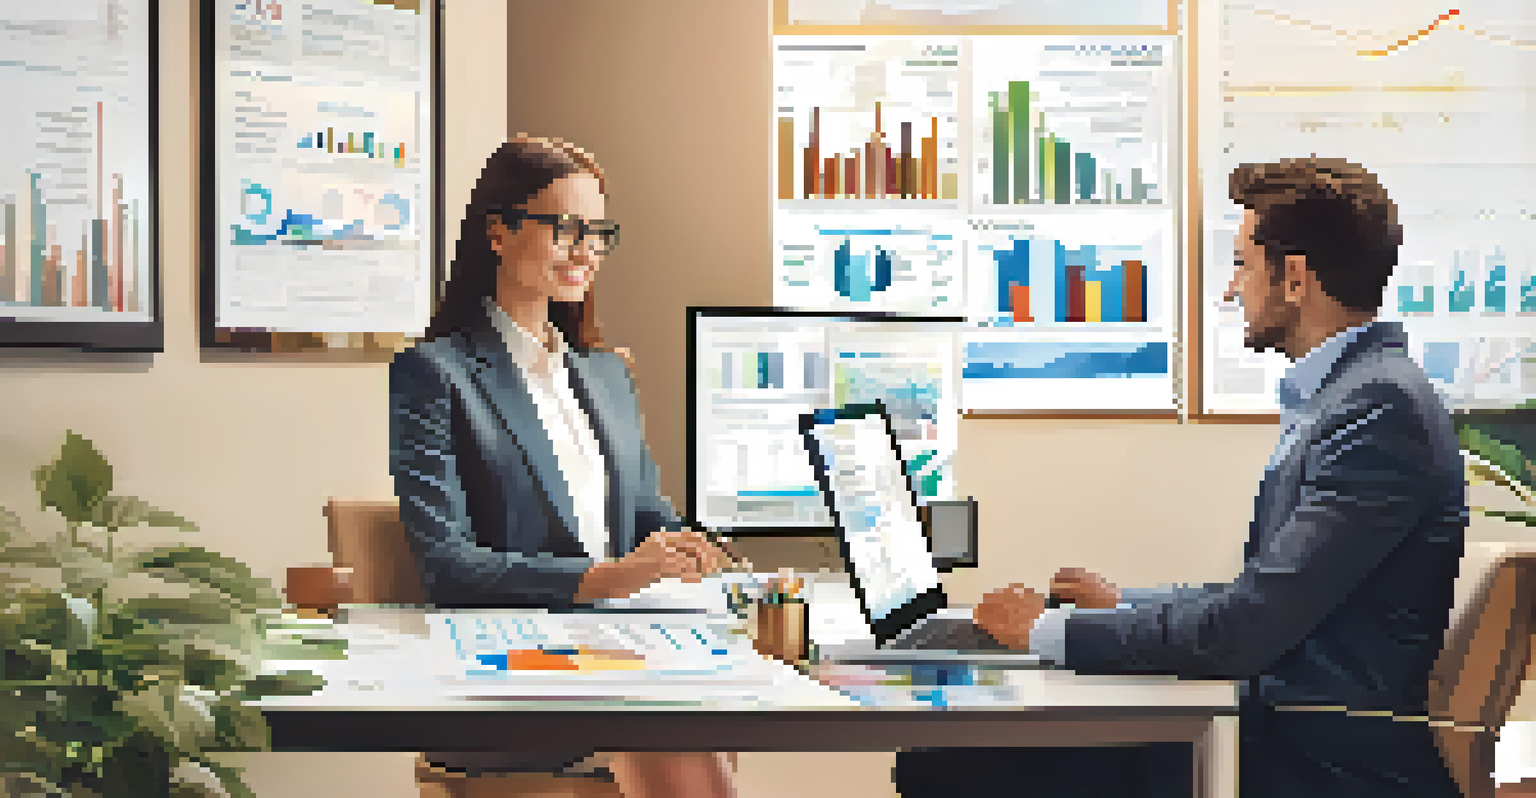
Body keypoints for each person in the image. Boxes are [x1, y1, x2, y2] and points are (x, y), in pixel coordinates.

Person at [895, 156, 1467, 797]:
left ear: (1294, 279)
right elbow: (1267, 595)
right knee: (960, 752)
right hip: (1285, 725)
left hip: (1316, 757)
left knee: (946, 762)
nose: (1232, 289)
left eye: (1243, 264)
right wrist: (1124, 603)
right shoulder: (1353, 394)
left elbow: (1246, 629)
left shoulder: (1379, 409)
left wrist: (1042, 631)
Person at [389, 136, 738, 798]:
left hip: (616, 650)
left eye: (597, 232)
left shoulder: (607, 374)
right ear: (498, 231)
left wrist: (698, 552)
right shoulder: (434, 375)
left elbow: (645, 517)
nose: (586, 251)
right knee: (673, 723)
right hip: (504, 670)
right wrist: (607, 578)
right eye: (565, 228)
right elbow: (448, 567)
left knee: (708, 704)